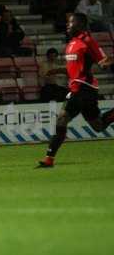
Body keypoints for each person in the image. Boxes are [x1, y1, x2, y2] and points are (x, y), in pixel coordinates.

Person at [38, 13, 114, 168]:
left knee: (62, 119)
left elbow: (103, 62)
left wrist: (109, 60)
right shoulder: (72, 43)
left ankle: (49, 159)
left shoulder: (87, 41)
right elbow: (72, 69)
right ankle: (49, 158)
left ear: (80, 24)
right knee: (98, 126)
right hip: (82, 88)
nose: (68, 25)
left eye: (71, 23)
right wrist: (57, 71)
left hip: (83, 87)